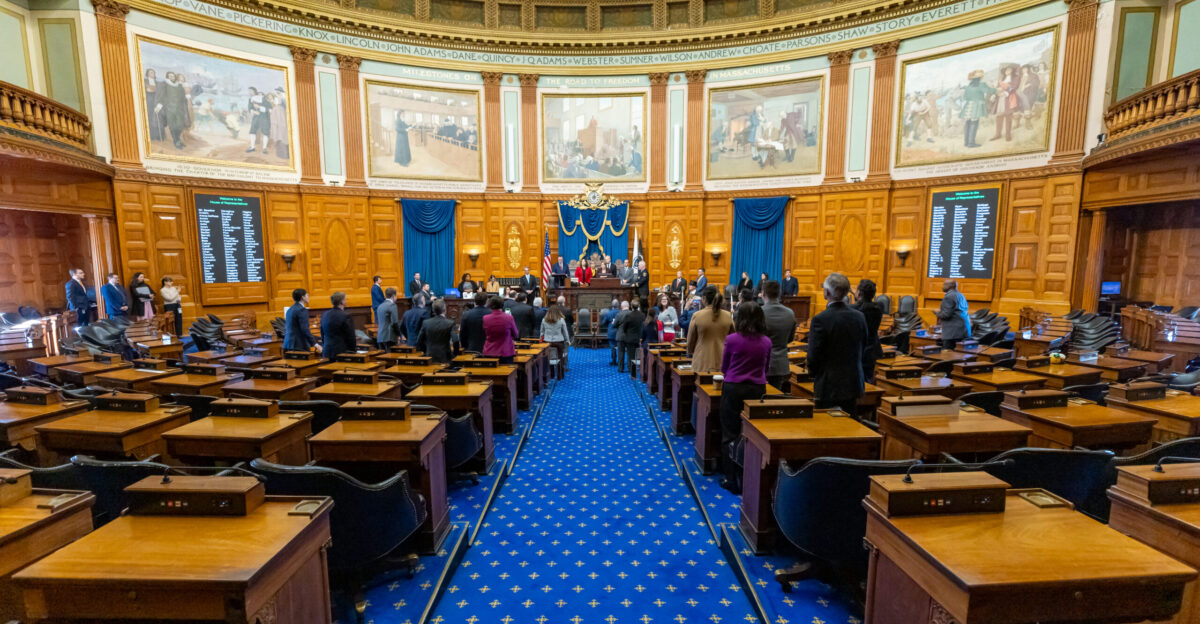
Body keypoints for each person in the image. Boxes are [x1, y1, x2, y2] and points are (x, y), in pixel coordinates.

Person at [719, 301, 771, 492]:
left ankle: (731, 479)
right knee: (752, 435)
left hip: (734, 388)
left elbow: (724, 368)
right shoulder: (766, 342)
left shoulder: (732, 339)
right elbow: (766, 368)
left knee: (729, 433)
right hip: (757, 390)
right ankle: (748, 476)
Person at [807, 273, 869, 415]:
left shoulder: (820, 319)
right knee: (850, 424)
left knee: (827, 425)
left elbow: (813, 355)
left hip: (828, 385)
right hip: (853, 382)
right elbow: (864, 345)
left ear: (827, 293)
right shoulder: (859, 316)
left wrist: (813, 374)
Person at [687, 288, 734, 373]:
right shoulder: (728, 316)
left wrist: (691, 351)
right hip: (723, 360)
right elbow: (733, 339)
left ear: (704, 299)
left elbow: (690, 342)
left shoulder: (697, 315)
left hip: (701, 360)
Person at [854, 279, 884, 383]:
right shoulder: (879, 307)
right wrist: (858, 294)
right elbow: (865, 303)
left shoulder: (854, 309)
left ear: (859, 293)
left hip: (859, 350)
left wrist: (856, 296)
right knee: (869, 380)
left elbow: (857, 305)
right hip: (873, 349)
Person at [320, 292, 357, 362]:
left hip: (327, 351)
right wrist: (353, 351)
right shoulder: (346, 315)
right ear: (342, 302)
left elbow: (322, 333)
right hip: (341, 352)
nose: (346, 301)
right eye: (345, 299)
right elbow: (350, 336)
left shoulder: (325, 314)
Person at [417, 299, 457, 363]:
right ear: (445, 309)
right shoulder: (450, 323)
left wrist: (426, 351)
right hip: (445, 357)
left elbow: (419, 340)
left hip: (429, 357)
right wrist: (455, 354)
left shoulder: (426, 323)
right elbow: (456, 340)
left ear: (433, 310)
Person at [936, 278, 971, 350]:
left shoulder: (949, 297)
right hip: (964, 330)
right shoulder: (960, 295)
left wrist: (937, 313)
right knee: (960, 353)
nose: (943, 286)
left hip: (952, 333)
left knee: (948, 354)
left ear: (950, 286)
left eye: (944, 284)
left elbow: (946, 315)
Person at [482, 295, 518, 364]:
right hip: (506, 351)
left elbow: (484, 334)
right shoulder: (509, 318)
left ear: (490, 305)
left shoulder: (485, 318)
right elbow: (516, 334)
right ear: (502, 305)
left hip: (490, 351)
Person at [283, 288, 319, 352]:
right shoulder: (302, 310)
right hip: (299, 346)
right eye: (307, 295)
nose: (308, 296)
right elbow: (305, 330)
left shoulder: (290, 309)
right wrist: (316, 344)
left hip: (288, 344)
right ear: (303, 297)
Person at [540, 303, 570, 379]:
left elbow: (542, 332)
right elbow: (565, 332)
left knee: (548, 358)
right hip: (558, 342)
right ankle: (560, 375)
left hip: (547, 342)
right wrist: (567, 340)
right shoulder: (561, 320)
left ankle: (551, 374)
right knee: (560, 358)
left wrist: (541, 340)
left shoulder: (544, 320)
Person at [615, 299, 644, 375]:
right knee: (629, 353)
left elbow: (615, 325)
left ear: (622, 306)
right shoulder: (632, 314)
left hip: (621, 335)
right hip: (630, 336)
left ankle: (620, 368)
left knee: (621, 352)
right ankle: (630, 368)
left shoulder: (619, 314)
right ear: (628, 306)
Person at [600, 299, 620, 365]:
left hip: (611, 332)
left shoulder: (608, 313)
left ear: (612, 305)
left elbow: (603, 323)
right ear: (618, 305)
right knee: (620, 347)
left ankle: (614, 361)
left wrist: (609, 325)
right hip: (619, 332)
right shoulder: (621, 312)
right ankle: (620, 362)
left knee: (613, 347)